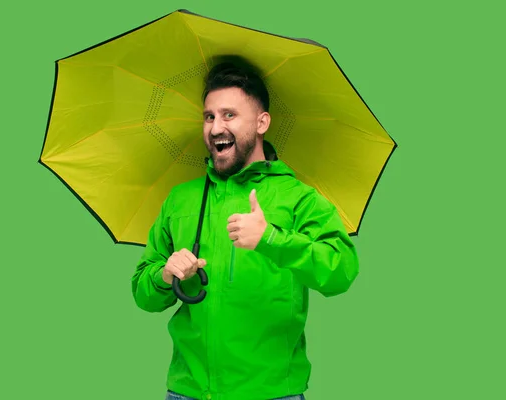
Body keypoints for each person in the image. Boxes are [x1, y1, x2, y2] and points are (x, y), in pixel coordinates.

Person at [131, 55, 360, 400]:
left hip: (270, 393)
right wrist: (165, 275)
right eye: (209, 116)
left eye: (229, 115)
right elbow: (142, 295)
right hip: (188, 391)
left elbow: (341, 270)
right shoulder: (181, 200)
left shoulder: (299, 198)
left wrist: (271, 238)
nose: (215, 128)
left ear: (262, 122)